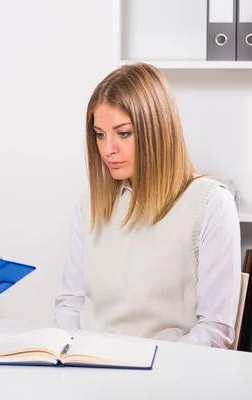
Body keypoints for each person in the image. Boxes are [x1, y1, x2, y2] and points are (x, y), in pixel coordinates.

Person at [54, 63, 241, 348]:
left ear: (157, 129)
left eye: (124, 133)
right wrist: (70, 352)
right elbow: (70, 304)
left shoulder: (211, 204)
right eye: (100, 134)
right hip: (89, 368)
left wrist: (151, 368)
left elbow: (216, 329)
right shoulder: (89, 203)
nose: (108, 149)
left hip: (166, 376)